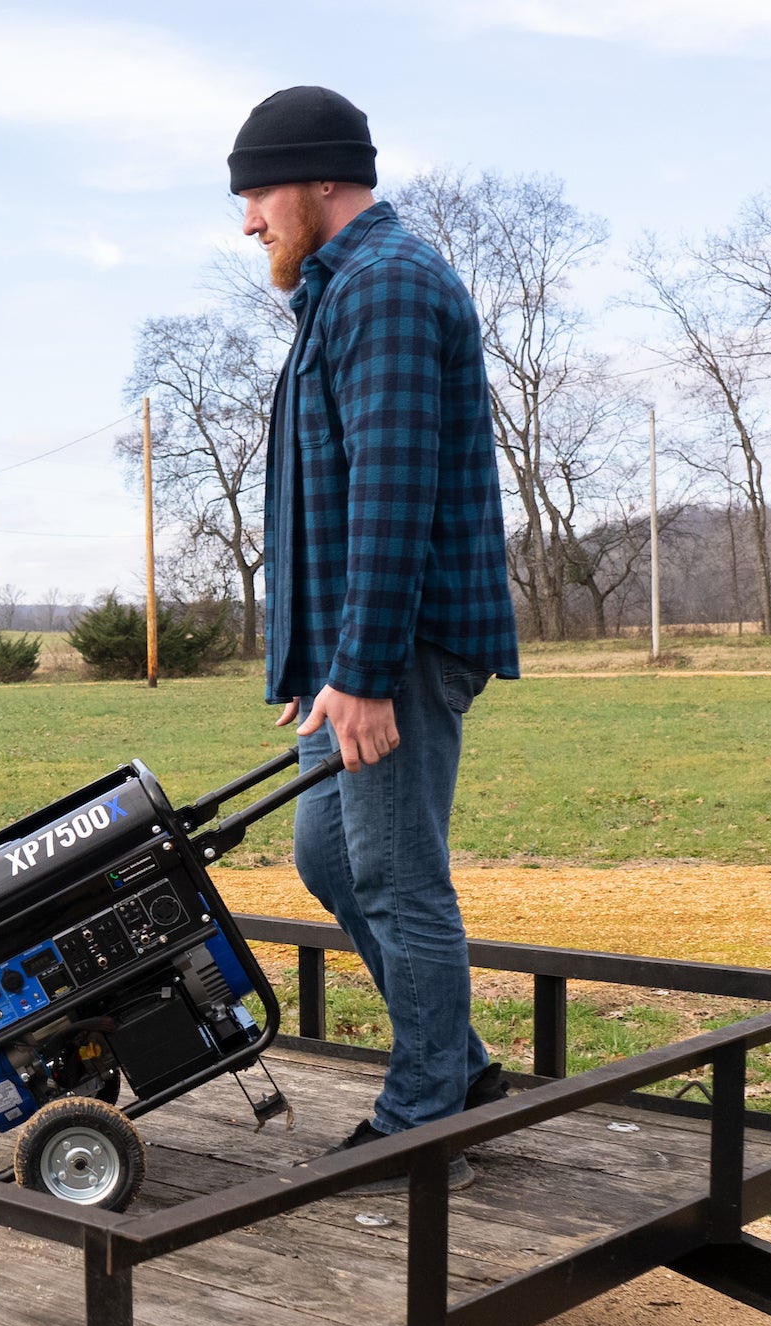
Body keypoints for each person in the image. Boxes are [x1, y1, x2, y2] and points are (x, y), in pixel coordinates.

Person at [228, 86, 521, 1190]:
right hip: (350, 655)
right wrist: (315, 663)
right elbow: (334, 492)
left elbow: (390, 497)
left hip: (391, 650)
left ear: (317, 181)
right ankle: (463, 1066)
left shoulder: (390, 287)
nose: (248, 219)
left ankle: (426, 1113)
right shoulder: (342, 292)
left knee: (398, 873)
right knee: (325, 851)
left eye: (256, 192)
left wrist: (358, 672)